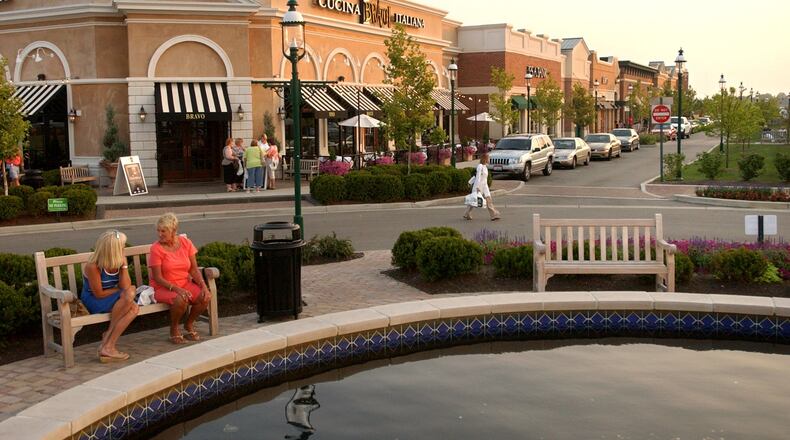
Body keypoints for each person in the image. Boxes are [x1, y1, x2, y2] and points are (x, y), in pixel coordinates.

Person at [148, 213, 212, 344]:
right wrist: (177, 289)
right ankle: (174, 329)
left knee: (205, 297)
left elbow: (193, 269)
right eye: (158, 231)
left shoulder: (185, 243)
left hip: (184, 283)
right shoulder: (156, 249)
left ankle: (189, 324)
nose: (160, 234)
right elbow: (157, 277)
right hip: (163, 287)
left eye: (163, 231)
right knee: (180, 299)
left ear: (173, 231)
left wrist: (204, 286)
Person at [81, 230, 139, 363]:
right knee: (130, 298)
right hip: (94, 301)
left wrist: (124, 266)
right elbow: (99, 293)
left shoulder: (118, 262)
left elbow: (125, 286)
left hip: (115, 297)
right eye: (122, 247)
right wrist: (121, 290)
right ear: (113, 250)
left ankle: (108, 343)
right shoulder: (93, 266)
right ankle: (108, 344)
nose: (124, 249)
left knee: (133, 307)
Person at [463, 153, 500, 221]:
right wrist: (477, 187)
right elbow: (478, 177)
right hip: (478, 186)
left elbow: (483, 178)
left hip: (485, 186)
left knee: (489, 200)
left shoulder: (485, 167)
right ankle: (467, 213)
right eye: (488, 158)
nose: (489, 159)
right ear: (485, 159)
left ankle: (493, 215)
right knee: (474, 202)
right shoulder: (480, 166)